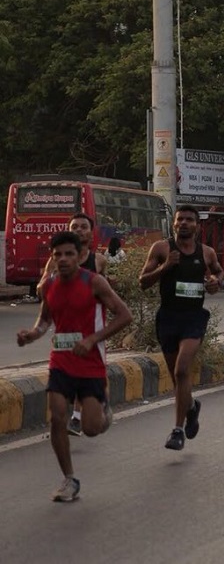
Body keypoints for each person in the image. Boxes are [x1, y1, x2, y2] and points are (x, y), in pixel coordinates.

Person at [17, 231, 133, 502]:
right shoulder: (50, 286)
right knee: (58, 416)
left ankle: (103, 410)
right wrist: (31, 335)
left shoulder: (95, 282)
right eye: (58, 255)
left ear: (80, 256)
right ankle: (69, 478)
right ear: (52, 258)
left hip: (90, 364)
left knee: (91, 429)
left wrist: (93, 338)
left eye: (69, 254)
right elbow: (45, 321)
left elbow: (124, 315)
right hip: (60, 360)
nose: (64, 259)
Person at [139, 205, 223, 451]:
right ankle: (191, 407)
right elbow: (142, 282)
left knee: (181, 370)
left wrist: (215, 282)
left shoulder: (206, 253)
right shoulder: (162, 249)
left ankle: (177, 431)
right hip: (168, 317)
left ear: (197, 225)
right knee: (179, 380)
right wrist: (165, 267)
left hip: (194, 317)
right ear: (174, 224)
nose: (184, 223)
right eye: (180, 220)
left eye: (189, 220)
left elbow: (218, 272)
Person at [38, 213, 110, 437]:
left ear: (91, 232)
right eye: (74, 226)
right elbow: (43, 287)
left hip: (92, 331)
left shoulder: (99, 261)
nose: (79, 230)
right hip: (66, 330)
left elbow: (106, 291)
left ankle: (84, 413)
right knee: (69, 369)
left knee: (86, 370)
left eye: (83, 227)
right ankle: (79, 414)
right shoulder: (56, 259)